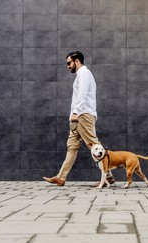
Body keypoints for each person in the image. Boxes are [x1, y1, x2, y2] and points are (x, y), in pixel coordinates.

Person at [43, 51, 114, 186]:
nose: (67, 66)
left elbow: (82, 94)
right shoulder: (81, 75)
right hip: (78, 116)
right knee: (72, 146)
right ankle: (61, 177)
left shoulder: (84, 74)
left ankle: (108, 176)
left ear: (77, 61)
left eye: (69, 63)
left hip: (83, 115)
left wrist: (76, 112)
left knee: (94, 144)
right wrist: (73, 116)